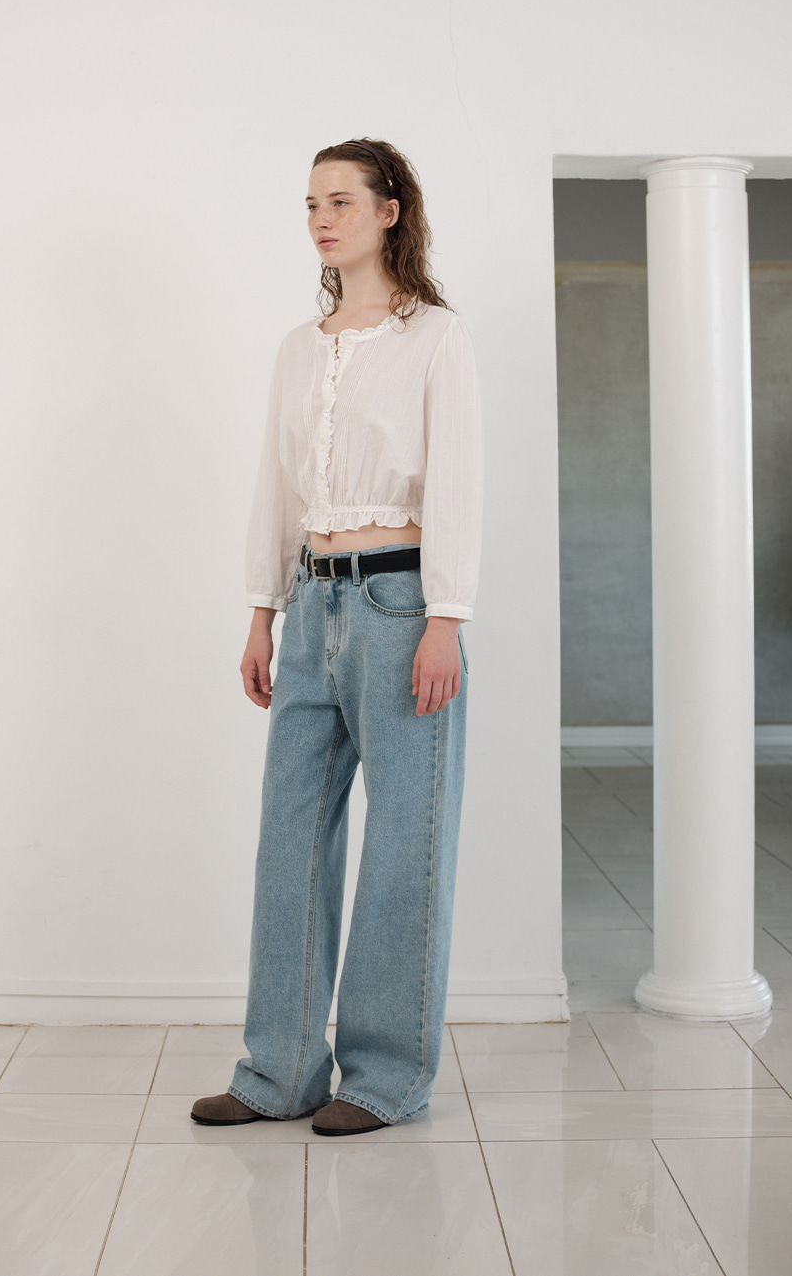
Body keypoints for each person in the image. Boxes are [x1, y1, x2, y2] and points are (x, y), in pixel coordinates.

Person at [191, 138, 482, 1137]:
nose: (322, 218)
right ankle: (277, 1070)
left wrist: (447, 618)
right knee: (291, 835)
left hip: (402, 606)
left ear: (391, 211)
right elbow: (276, 486)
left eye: (343, 201)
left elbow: (458, 482)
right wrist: (262, 611)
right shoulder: (299, 347)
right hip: (311, 604)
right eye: (312, 203)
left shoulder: (434, 337)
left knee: (406, 841)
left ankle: (385, 1076)